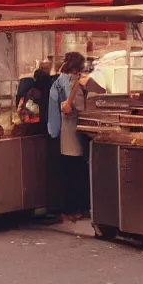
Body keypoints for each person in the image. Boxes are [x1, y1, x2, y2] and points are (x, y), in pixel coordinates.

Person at [48, 52, 105, 218]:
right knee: (76, 173)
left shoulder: (61, 82)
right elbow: (77, 107)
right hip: (75, 134)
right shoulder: (75, 83)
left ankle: (73, 208)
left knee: (70, 172)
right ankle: (78, 208)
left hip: (67, 135)